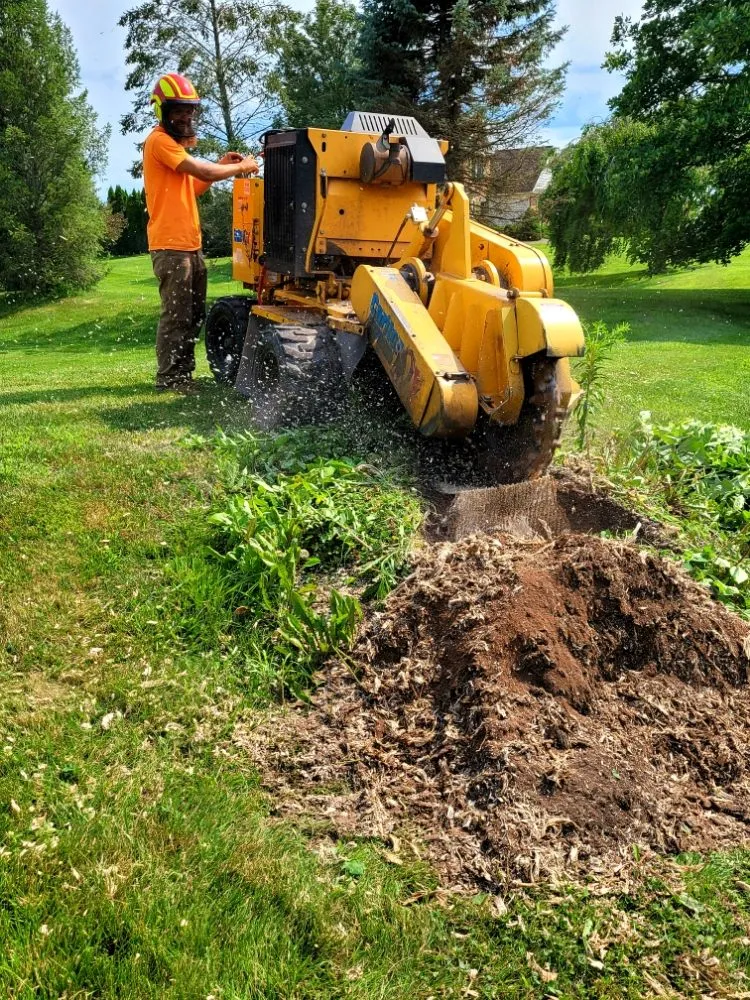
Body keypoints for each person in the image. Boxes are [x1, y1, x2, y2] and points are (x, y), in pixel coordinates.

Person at [143, 73, 259, 393]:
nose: (186, 116)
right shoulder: (159, 141)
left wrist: (222, 163)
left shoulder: (174, 148)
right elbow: (201, 170)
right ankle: (170, 379)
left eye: (190, 110)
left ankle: (184, 375)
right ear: (162, 111)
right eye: (179, 110)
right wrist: (239, 167)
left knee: (194, 314)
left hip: (189, 246)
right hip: (170, 247)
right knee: (177, 315)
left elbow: (194, 185)